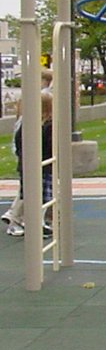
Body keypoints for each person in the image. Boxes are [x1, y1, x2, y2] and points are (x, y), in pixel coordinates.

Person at [3, 70, 53, 236]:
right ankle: (15, 219)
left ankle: (35, 221)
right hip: (31, 164)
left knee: (41, 196)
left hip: (41, 165)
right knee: (30, 194)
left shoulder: (44, 123)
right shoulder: (31, 123)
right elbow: (23, 145)